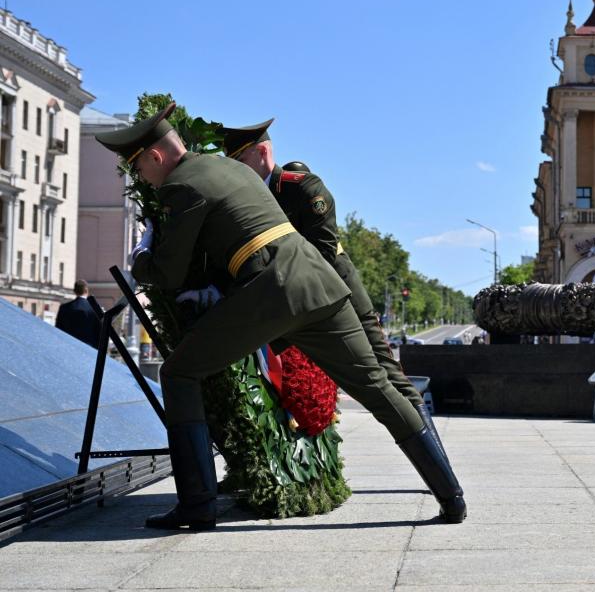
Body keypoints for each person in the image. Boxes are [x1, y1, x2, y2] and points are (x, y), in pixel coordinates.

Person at [95, 104, 466, 530]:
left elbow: (169, 271)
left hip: (270, 292)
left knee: (179, 373)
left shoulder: (181, 185)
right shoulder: (228, 168)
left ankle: (197, 506)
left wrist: (142, 255)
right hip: (320, 285)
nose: (141, 177)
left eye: (138, 167)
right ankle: (451, 497)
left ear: (155, 157)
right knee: (379, 388)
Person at [217, 120, 442, 446]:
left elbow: (321, 253)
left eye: (240, 161)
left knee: (386, 375)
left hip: (339, 294)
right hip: (294, 305)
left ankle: (438, 467)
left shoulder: (300, 188)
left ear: (262, 152)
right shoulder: (246, 199)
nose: (236, 170)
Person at [55, 280, 105, 348]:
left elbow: (58, 330)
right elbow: (100, 333)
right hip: (89, 349)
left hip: (68, 347)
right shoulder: (94, 309)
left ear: (74, 291)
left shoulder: (64, 308)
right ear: (86, 290)